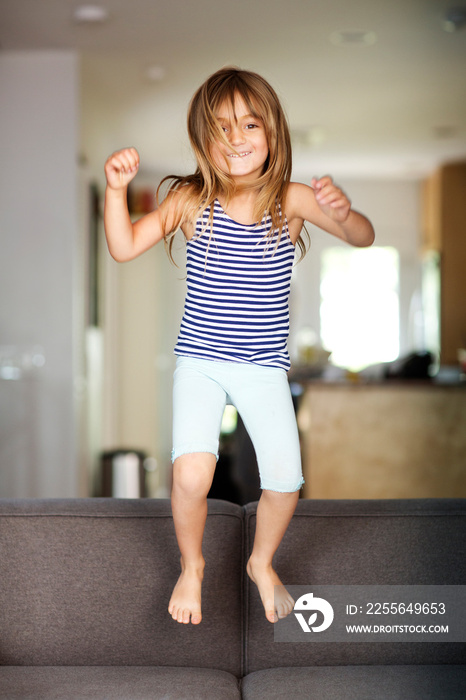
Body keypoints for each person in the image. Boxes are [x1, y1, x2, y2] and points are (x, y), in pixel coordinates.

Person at [104, 66, 375, 627]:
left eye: (250, 124)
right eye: (222, 127)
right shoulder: (187, 200)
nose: (237, 138)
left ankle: (261, 562)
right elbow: (125, 245)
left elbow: (362, 237)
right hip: (200, 362)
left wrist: (345, 216)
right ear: (203, 139)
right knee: (191, 474)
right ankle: (193, 565)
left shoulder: (292, 199)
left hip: (263, 368)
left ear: (272, 132)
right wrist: (113, 190)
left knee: (284, 480)